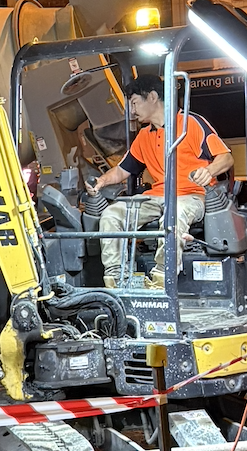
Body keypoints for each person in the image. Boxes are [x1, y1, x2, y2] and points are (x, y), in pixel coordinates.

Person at [90, 73, 234, 290]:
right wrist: (102, 181)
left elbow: (226, 157)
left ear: (153, 97)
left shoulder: (190, 124)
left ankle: (161, 280)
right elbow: (122, 170)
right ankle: (116, 280)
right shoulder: (144, 136)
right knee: (112, 214)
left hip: (191, 196)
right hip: (157, 197)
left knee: (173, 215)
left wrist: (209, 170)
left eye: (134, 103)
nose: (132, 110)